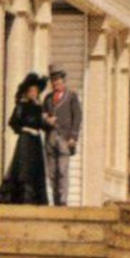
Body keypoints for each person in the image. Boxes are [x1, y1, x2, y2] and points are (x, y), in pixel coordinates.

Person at [0, 73, 49, 205]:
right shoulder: (22, 106)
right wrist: (24, 129)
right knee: (24, 168)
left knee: (35, 168)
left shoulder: (39, 107)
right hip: (25, 141)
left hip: (36, 141)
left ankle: (35, 200)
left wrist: (48, 122)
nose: (33, 93)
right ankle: (22, 198)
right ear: (27, 92)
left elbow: (41, 125)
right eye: (31, 91)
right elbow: (13, 122)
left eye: (36, 91)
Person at [42, 68, 83, 206]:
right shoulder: (47, 98)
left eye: (58, 81)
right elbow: (42, 115)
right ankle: (56, 200)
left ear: (63, 81)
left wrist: (73, 137)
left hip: (65, 138)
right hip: (50, 138)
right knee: (52, 172)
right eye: (53, 81)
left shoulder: (71, 96)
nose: (55, 84)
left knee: (62, 171)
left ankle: (63, 200)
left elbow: (77, 117)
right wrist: (46, 120)